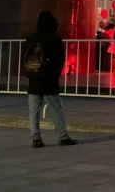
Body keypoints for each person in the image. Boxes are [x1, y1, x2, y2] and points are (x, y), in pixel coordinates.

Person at [24, 11, 77, 148]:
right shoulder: (54, 39)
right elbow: (60, 59)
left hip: (34, 79)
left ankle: (36, 138)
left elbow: (24, 58)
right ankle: (63, 136)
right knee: (55, 109)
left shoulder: (31, 38)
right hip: (49, 80)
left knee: (33, 110)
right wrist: (55, 73)